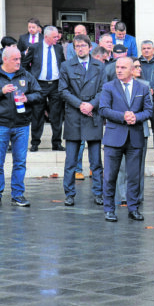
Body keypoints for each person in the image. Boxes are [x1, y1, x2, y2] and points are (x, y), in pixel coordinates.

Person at [99, 57, 152, 222]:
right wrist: (123, 116)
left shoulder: (142, 88)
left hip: (135, 137)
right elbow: (103, 109)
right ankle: (109, 209)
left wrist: (136, 117)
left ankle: (133, 208)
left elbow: (149, 110)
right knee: (110, 176)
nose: (119, 70)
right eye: (117, 67)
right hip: (114, 137)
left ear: (131, 69)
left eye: (123, 67)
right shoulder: (108, 87)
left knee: (134, 176)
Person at [59, 34, 105, 206]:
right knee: (70, 161)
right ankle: (69, 194)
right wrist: (80, 105)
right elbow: (63, 90)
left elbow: (103, 90)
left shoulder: (99, 66)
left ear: (90, 47)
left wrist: (91, 105)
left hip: (92, 115)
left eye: (83, 46)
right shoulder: (66, 66)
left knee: (96, 161)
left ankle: (98, 193)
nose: (80, 48)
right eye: (77, 46)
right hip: (74, 115)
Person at [0, 46, 41, 207]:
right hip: (1, 124)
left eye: (19, 59)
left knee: (20, 162)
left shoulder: (25, 75)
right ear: (5, 59)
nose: (19, 62)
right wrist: (1, 91)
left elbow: (39, 93)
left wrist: (27, 98)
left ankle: (17, 194)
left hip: (22, 125)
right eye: (15, 59)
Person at [23, 25, 65, 152]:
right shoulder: (35, 47)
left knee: (56, 115)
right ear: (46, 37)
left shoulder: (58, 48)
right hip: (39, 85)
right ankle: (35, 142)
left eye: (57, 36)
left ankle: (57, 143)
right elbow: (25, 65)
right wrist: (31, 80)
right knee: (37, 113)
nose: (57, 39)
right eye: (54, 37)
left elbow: (62, 63)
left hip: (55, 85)